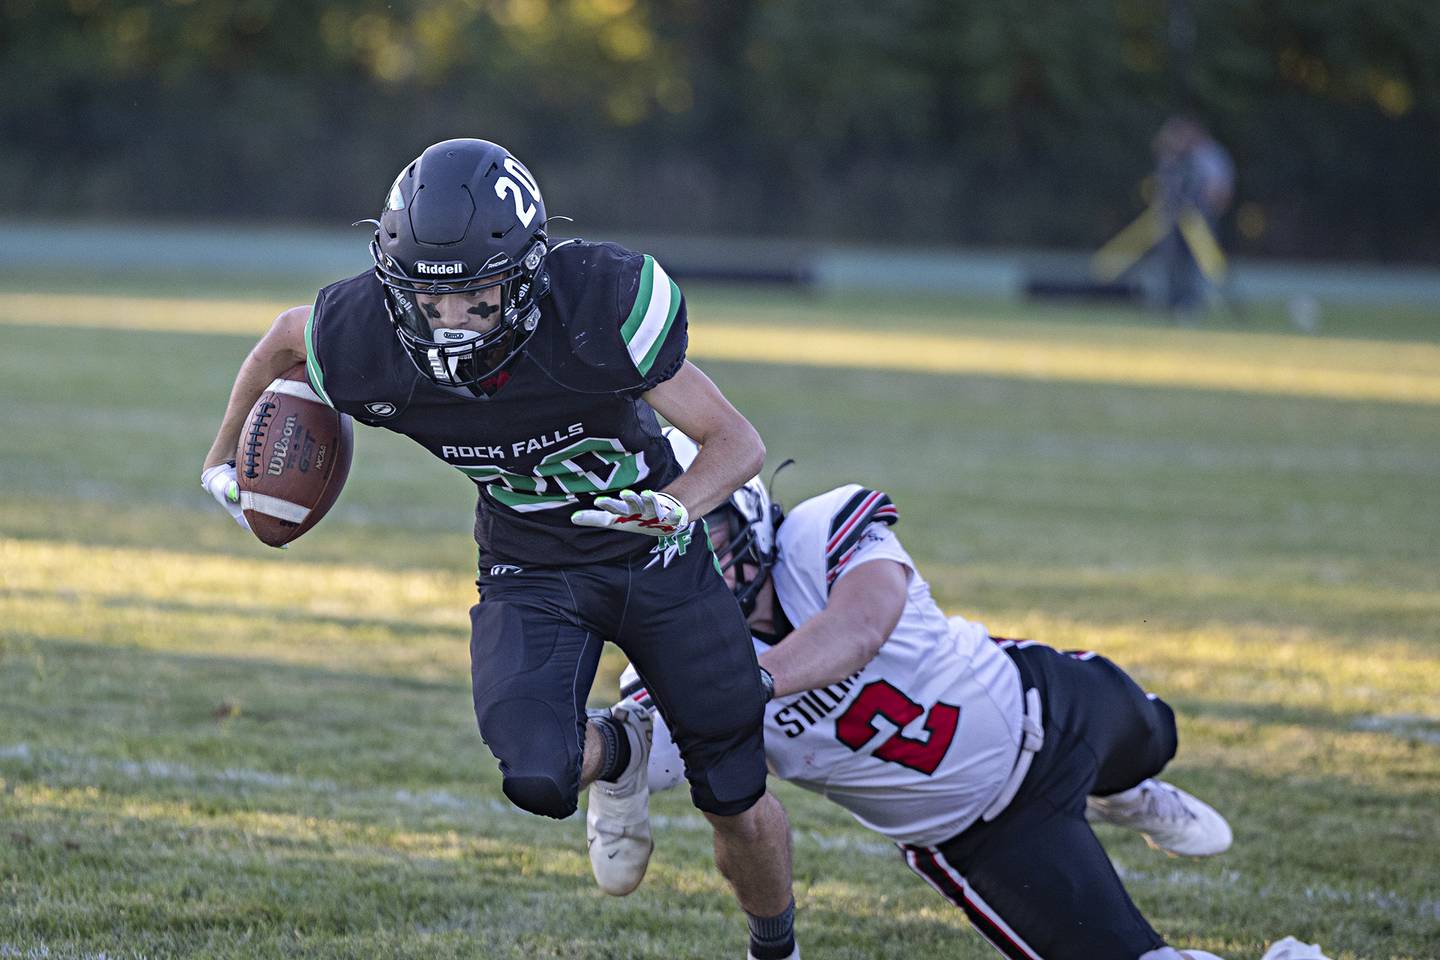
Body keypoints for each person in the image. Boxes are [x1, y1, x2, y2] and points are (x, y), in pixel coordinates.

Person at [199, 138, 798, 960]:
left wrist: (675, 506)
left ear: (526, 273)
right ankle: (623, 747)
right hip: (531, 564)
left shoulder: (596, 302)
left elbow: (736, 440)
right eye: (426, 297)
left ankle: (777, 946)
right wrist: (220, 453)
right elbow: (279, 342)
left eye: (476, 295)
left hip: (655, 554)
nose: (448, 320)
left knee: (734, 794)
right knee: (536, 773)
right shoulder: (365, 336)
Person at [603, 429, 1261, 960]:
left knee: (1158, 735)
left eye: (702, 535)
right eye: (667, 549)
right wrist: (614, 756)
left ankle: (1124, 793)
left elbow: (860, 627)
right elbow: (648, 756)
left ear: (742, 510)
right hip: (983, 834)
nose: (694, 565)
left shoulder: (819, 530)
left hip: (1046, 705)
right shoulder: (675, 661)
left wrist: (747, 686)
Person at [1152, 116, 1235, 318]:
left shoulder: (1207, 155)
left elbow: (1217, 188)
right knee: (1172, 260)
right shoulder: (1173, 156)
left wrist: (1209, 211)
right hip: (1174, 218)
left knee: (1202, 263)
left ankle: (1197, 302)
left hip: (1198, 219)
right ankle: (1173, 300)